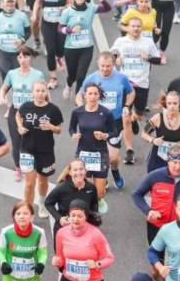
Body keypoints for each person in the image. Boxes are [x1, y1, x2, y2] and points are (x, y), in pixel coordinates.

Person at [133, 145, 180, 249]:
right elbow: (137, 194)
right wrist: (148, 211)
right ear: (168, 161)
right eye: (174, 163)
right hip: (157, 225)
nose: (178, 167)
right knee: (156, 259)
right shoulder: (155, 176)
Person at [78, 52, 135, 188]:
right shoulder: (91, 79)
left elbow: (131, 92)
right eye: (102, 66)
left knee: (113, 157)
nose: (105, 69)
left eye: (108, 66)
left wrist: (127, 105)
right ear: (98, 63)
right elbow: (79, 95)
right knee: (96, 154)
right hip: (94, 122)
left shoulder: (121, 78)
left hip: (114, 123)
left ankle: (114, 171)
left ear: (113, 65)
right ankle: (103, 179)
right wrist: (82, 110)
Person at [110, 16, 165, 154]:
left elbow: (159, 60)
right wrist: (116, 59)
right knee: (125, 116)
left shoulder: (147, 42)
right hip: (125, 83)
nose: (135, 28)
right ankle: (129, 149)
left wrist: (149, 58)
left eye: (138, 26)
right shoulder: (121, 41)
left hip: (142, 83)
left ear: (142, 28)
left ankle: (135, 118)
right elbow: (110, 55)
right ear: (128, 28)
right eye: (133, 26)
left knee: (139, 115)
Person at [16, 80, 64, 219]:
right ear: (32, 92)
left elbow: (59, 129)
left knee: (43, 180)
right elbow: (18, 115)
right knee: (30, 182)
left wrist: (51, 127)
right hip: (27, 148)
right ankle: (28, 211)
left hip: (46, 149)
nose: (40, 94)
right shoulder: (26, 106)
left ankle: (41, 203)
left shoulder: (53, 110)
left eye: (43, 91)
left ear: (47, 92)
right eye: (37, 91)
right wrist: (20, 126)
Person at [0, 47, 46, 180]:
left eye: (25, 57)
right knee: (17, 141)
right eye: (20, 57)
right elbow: (4, 87)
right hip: (16, 111)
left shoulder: (38, 75)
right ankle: (18, 168)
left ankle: (33, 167)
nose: (23, 60)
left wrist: (46, 109)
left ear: (30, 58)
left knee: (33, 142)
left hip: (33, 112)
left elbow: (44, 91)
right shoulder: (12, 74)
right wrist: (2, 97)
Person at [69, 83, 117, 213]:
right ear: (85, 95)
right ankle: (89, 214)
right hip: (83, 153)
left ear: (99, 95)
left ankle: (99, 200)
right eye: (90, 93)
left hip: (100, 154)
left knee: (100, 191)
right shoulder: (77, 112)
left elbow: (114, 131)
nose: (92, 96)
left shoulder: (106, 112)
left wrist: (105, 135)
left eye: (95, 93)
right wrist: (74, 135)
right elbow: (71, 128)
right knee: (85, 188)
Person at [59, 0, 111, 100]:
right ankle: (68, 85)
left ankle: (78, 99)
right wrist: (71, 31)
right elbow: (60, 28)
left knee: (81, 75)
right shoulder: (67, 12)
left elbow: (108, 8)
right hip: (71, 47)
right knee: (72, 75)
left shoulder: (91, 8)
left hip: (86, 47)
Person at [52, 199, 115, 281]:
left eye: (80, 216)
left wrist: (97, 264)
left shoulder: (95, 234)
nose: (76, 219)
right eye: (73, 215)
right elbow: (60, 259)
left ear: (86, 217)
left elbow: (109, 258)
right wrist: (57, 262)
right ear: (69, 216)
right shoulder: (61, 233)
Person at [139, 92, 180, 173]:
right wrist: (153, 140)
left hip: (177, 162)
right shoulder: (157, 118)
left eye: (175, 103)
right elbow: (144, 133)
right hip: (158, 159)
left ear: (179, 104)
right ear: (166, 104)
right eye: (169, 103)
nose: (172, 106)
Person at [0, 202, 47, 281]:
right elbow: (0, 251)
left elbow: (42, 252)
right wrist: (3, 263)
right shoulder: (6, 232)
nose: (22, 216)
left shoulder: (39, 232)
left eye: (25, 213)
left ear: (32, 216)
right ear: (14, 217)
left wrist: (41, 263)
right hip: (10, 280)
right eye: (18, 213)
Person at [45, 160, 99, 237]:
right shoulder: (62, 188)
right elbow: (48, 203)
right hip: (64, 228)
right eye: (75, 170)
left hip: (84, 229)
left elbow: (94, 205)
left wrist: (94, 220)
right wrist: (59, 218)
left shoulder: (91, 188)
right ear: (70, 172)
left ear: (85, 171)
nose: (79, 172)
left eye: (81, 169)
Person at [0, 0, 31, 80]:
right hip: (3, 51)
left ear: (15, 2)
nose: (10, 5)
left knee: (18, 76)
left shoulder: (22, 16)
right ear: (3, 3)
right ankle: (6, 93)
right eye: (7, 2)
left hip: (17, 52)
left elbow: (28, 31)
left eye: (12, 2)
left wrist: (22, 40)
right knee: (5, 77)